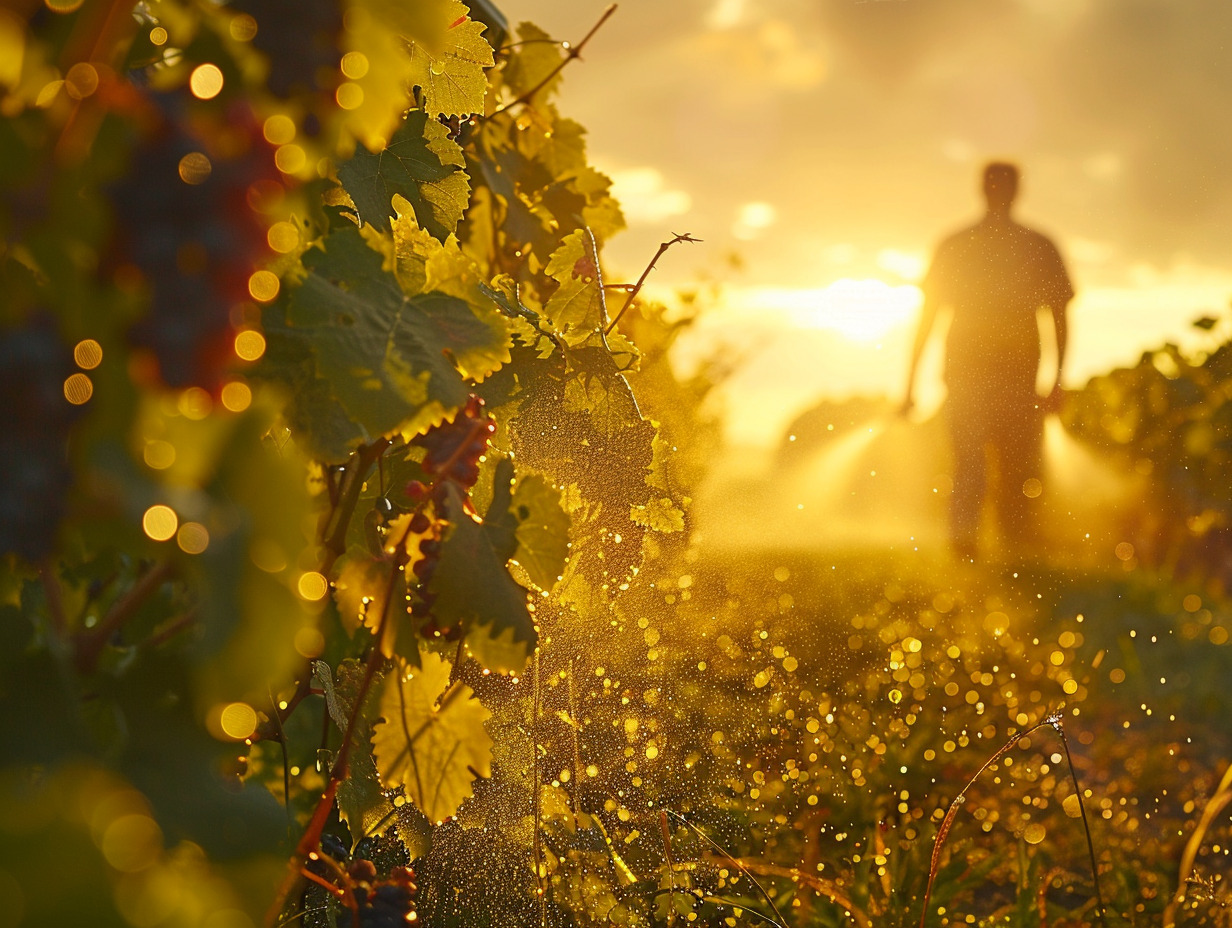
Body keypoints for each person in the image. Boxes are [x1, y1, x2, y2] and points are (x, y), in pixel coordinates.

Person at [902, 162, 1073, 559]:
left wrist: (1059, 379)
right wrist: (1059, 379)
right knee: (982, 464)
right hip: (978, 373)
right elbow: (1060, 318)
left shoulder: (973, 244)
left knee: (994, 465)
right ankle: (979, 548)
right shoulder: (1032, 245)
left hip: (1004, 374)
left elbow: (1059, 316)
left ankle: (991, 548)